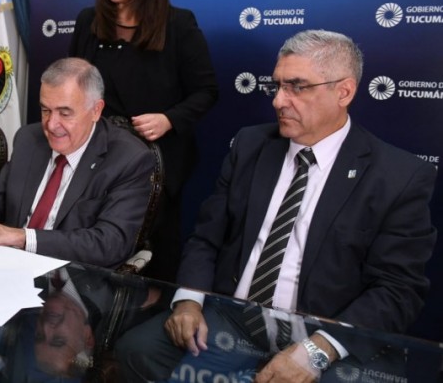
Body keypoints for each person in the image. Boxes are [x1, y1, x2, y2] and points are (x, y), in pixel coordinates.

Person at [114, 30, 438, 381]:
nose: (279, 101)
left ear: (344, 92)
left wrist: (319, 349)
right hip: (233, 320)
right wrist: (190, 300)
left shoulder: (398, 175)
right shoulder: (251, 145)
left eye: (297, 87)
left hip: (325, 333)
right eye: (278, 86)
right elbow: (206, 237)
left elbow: (398, 289)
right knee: (136, 349)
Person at [0, 57, 155, 268]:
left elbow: (109, 244)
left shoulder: (128, 158)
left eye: (65, 113)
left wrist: (19, 237)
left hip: (74, 283)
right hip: (6, 268)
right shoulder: (29, 139)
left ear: (96, 110)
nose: (51, 125)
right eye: (45, 110)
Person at [68, 0, 219, 282]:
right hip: (96, 159)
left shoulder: (178, 24)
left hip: (154, 163)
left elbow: (206, 90)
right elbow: (73, 87)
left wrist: (169, 119)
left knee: (152, 261)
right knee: (88, 249)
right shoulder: (88, 21)